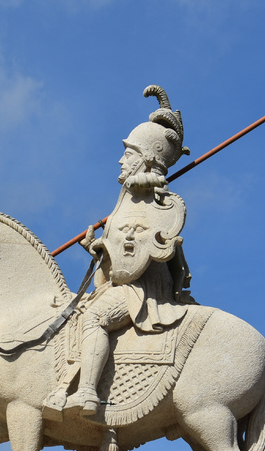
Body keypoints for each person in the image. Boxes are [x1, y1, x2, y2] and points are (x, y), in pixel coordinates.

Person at [61, 85, 194, 415]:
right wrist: (99, 247)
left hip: (144, 290)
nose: (121, 159)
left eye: (130, 154)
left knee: (94, 318)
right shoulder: (129, 201)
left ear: (146, 160)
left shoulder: (158, 200)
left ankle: (88, 393)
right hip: (125, 284)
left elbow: (140, 255)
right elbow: (120, 254)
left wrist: (149, 183)